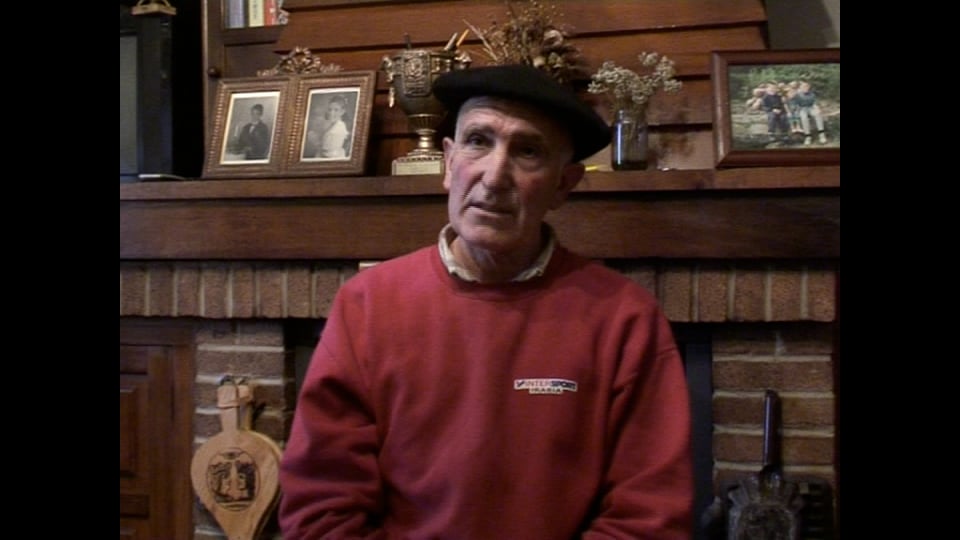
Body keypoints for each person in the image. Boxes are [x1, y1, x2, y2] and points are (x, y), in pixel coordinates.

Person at [278, 64, 693, 538]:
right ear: (448, 161)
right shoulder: (366, 305)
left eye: (528, 151)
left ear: (564, 184)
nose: (495, 177)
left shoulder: (625, 319)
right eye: (478, 141)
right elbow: (321, 505)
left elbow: (648, 516)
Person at [303, 94, 350, 159]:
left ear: (342, 112)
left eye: (336, 110)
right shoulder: (331, 124)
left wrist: (315, 141)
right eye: (329, 109)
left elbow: (327, 152)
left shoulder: (339, 128)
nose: (331, 113)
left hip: (332, 157)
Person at [791, 80, 828, 145]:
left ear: (809, 87)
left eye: (806, 86)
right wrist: (795, 108)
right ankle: (808, 136)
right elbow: (794, 103)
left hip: (811, 108)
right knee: (804, 118)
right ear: (800, 87)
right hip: (802, 109)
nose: (805, 88)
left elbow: (815, 102)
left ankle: (821, 134)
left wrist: (817, 107)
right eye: (803, 87)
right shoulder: (797, 95)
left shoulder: (812, 94)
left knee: (818, 114)